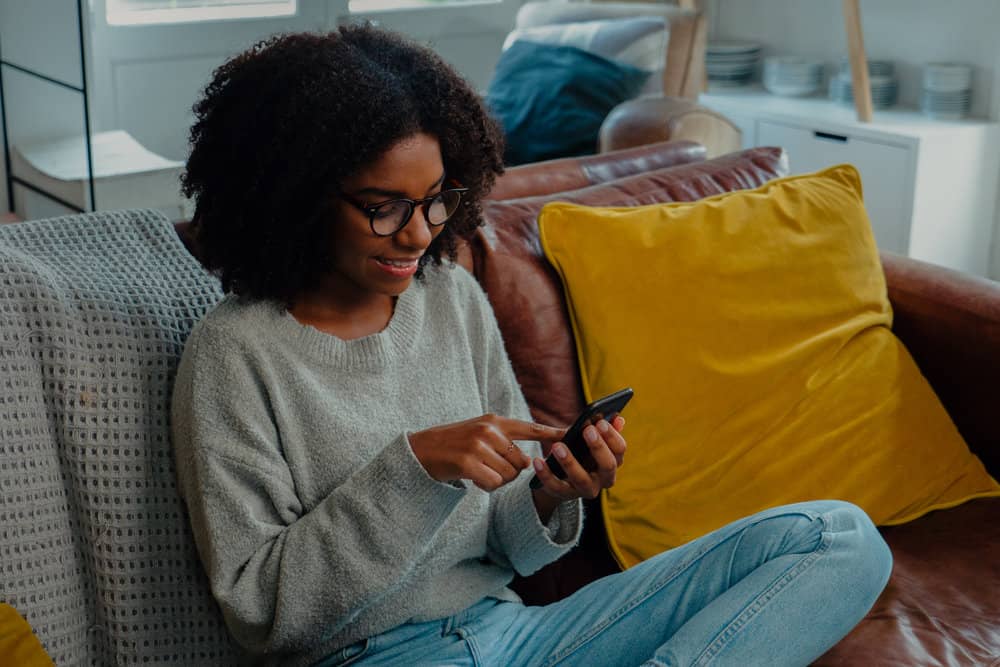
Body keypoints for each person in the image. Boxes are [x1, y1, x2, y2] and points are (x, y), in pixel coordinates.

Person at [170, 25, 893, 667]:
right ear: (297, 196)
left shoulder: (449, 297)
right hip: (373, 655)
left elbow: (509, 545)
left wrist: (550, 492)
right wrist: (413, 469)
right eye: (383, 207)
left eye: (435, 201)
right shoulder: (235, 354)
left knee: (837, 537)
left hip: (524, 636)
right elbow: (261, 612)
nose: (420, 234)